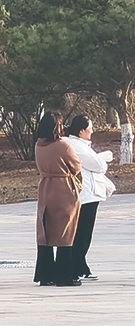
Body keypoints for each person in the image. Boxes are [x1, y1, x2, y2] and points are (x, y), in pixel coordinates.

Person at [34, 111, 82, 287]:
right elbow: (76, 166)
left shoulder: (38, 145)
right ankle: (63, 275)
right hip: (63, 189)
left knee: (45, 230)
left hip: (45, 187)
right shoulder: (63, 146)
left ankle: (45, 274)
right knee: (65, 232)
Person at [67, 114, 115, 281]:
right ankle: (78, 267)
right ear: (81, 131)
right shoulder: (75, 145)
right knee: (82, 232)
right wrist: (102, 157)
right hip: (85, 194)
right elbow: (97, 165)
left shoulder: (82, 145)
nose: (92, 131)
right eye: (90, 128)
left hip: (91, 194)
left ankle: (80, 265)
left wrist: (98, 159)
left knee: (85, 232)